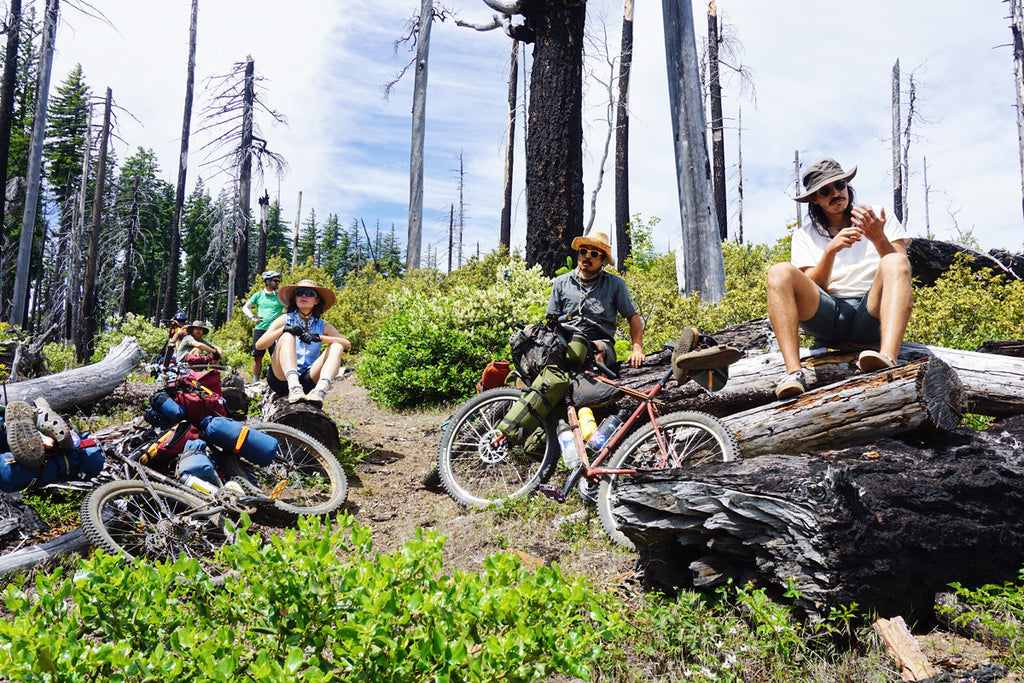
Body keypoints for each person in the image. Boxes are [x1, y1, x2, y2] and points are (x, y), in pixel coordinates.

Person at [766, 158, 913, 400]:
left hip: (871, 311)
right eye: (826, 191)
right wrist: (830, 251)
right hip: (828, 315)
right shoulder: (804, 235)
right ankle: (794, 373)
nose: (836, 193)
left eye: (840, 185)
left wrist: (878, 238)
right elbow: (814, 285)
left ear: (847, 185)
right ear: (814, 199)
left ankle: (887, 358)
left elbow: (902, 269)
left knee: (895, 260)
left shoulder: (878, 216)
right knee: (779, 271)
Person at [545, 231, 645, 368]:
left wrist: (637, 349)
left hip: (600, 342)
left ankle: (605, 388)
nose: (587, 256)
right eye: (583, 251)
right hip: (565, 340)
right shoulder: (561, 282)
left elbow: (632, 317)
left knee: (595, 352)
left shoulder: (615, 284)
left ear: (603, 259)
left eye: (593, 254)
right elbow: (551, 320)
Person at [256, 278, 351, 406]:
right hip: (281, 378)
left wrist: (320, 338)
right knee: (287, 336)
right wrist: (283, 330)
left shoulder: (322, 326)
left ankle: (320, 390)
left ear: (317, 300)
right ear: (294, 299)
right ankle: (294, 387)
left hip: (307, 380)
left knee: (337, 346)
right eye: (300, 293)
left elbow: (346, 344)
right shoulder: (284, 319)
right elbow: (260, 344)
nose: (304, 296)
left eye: (310, 293)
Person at [242, 270, 285, 380]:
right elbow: (245, 307)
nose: (277, 283)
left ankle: (276, 381)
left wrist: (282, 319)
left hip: (275, 331)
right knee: (257, 357)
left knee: (276, 357)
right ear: (267, 281)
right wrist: (252, 317)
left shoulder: (280, 296)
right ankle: (256, 382)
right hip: (260, 329)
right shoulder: (258, 295)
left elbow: (291, 310)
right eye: (275, 280)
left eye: (278, 281)